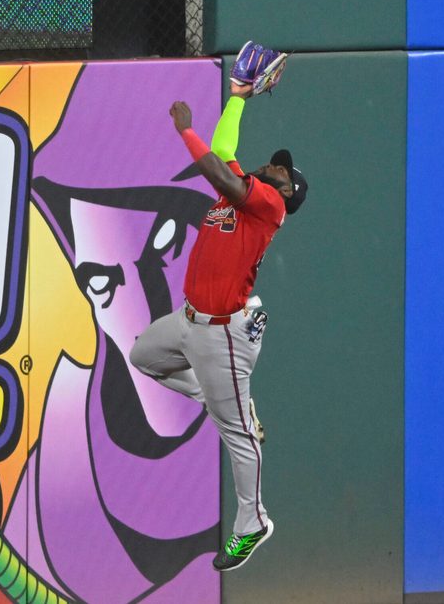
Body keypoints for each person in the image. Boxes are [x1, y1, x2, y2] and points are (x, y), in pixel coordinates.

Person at [129, 41, 307, 572]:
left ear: (287, 191)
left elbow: (217, 169)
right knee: (143, 356)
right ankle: (223, 398)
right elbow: (225, 152)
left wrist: (185, 129)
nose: (272, 166)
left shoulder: (268, 206)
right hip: (188, 323)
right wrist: (238, 97)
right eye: (273, 164)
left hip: (221, 333)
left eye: (280, 169)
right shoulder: (242, 192)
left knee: (237, 436)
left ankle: (252, 522)